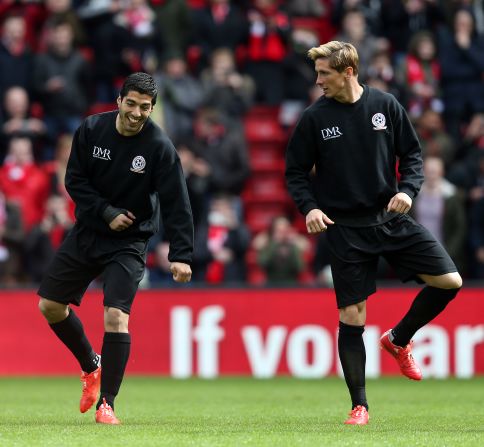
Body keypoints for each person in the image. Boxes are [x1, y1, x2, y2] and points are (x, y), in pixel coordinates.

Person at [285, 41, 462, 426]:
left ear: (348, 71)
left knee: (450, 281)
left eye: (324, 74)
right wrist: (310, 208)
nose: (318, 82)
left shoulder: (385, 105)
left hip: (389, 217)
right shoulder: (315, 119)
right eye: (317, 74)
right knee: (352, 316)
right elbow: (295, 172)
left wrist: (407, 190)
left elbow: (412, 156)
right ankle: (359, 406)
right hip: (344, 227)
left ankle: (398, 339)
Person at [37, 72, 194, 425]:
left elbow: (177, 203)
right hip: (90, 231)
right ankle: (91, 365)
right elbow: (74, 180)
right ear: (119, 101)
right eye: (133, 104)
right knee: (49, 306)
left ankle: (107, 403)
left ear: (152, 109)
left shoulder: (159, 147)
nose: (138, 113)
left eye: (146, 108)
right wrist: (106, 212)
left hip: (129, 241)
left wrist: (182, 254)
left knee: (115, 315)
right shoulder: (92, 130)